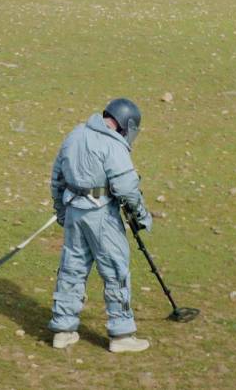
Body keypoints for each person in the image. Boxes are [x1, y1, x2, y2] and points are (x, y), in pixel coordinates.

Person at [48, 98, 153, 353]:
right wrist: (141, 216)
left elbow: (57, 177)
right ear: (126, 125)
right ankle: (121, 334)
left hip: (74, 212)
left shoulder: (75, 134)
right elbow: (126, 187)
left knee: (72, 268)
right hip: (101, 215)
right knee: (115, 270)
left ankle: (63, 329)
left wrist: (61, 211)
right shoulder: (113, 145)